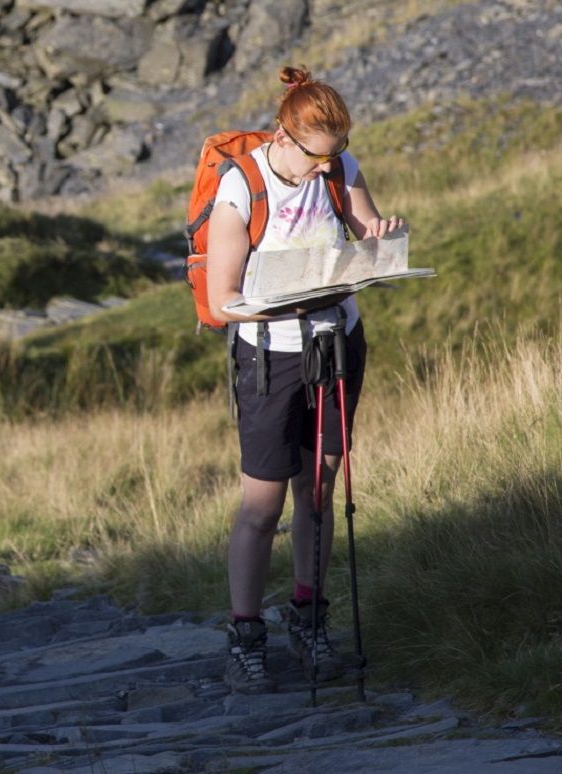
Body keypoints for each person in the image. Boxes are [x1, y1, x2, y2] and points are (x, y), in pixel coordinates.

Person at [206, 65, 404, 694]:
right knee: (262, 505)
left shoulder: (341, 168)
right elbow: (222, 299)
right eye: (319, 157)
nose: (329, 169)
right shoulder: (242, 188)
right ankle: (245, 636)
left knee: (318, 490)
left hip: (337, 344)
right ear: (285, 138)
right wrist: (291, 300)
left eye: (336, 156)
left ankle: (309, 621)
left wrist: (378, 240)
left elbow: (365, 237)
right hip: (270, 356)